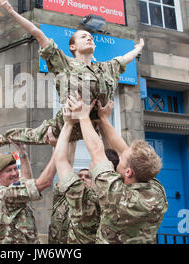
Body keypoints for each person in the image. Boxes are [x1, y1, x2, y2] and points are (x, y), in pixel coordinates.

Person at [0, 0, 144, 153]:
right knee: (33, 135)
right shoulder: (64, 64)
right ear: (72, 47)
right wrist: (11, 11)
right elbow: (37, 33)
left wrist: (138, 49)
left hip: (94, 124)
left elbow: (124, 59)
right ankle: (0, 140)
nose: (89, 38)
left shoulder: (107, 68)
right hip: (66, 122)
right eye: (84, 36)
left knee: (112, 157)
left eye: (91, 38)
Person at [66, 93, 168, 244]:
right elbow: (125, 152)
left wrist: (82, 117)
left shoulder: (118, 196)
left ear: (128, 172)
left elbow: (96, 152)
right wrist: (104, 120)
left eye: (121, 159)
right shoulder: (157, 191)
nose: (119, 157)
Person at [50, 106, 101, 244]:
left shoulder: (96, 202)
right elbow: (67, 164)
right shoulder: (64, 196)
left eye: (87, 176)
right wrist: (73, 138)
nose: (83, 178)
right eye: (80, 176)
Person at [0, 141, 56, 244]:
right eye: (9, 170)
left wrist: (23, 153)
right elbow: (45, 182)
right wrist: (58, 149)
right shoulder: (4, 195)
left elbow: (26, 181)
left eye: (16, 169)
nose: (15, 173)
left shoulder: (12, 191)